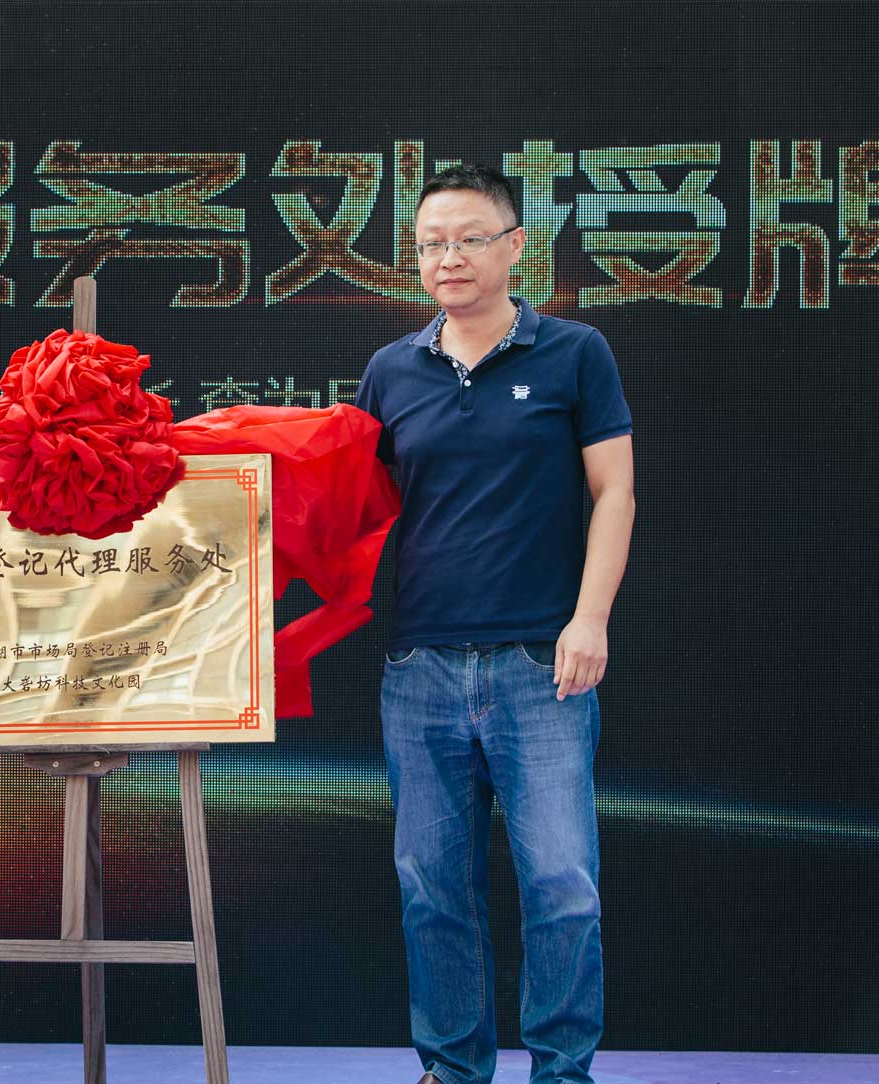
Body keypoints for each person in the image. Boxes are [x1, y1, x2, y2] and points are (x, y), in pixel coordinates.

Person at [354, 164, 635, 1084]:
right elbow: (354, 504)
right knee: (432, 888)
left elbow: (614, 493)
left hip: (540, 662)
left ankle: (562, 1071)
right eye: (430, 243)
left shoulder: (574, 352)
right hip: (420, 665)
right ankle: (451, 1068)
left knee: (562, 885)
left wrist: (588, 619)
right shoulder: (390, 371)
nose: (448, 258)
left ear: (515, 246)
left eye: (469, 239)